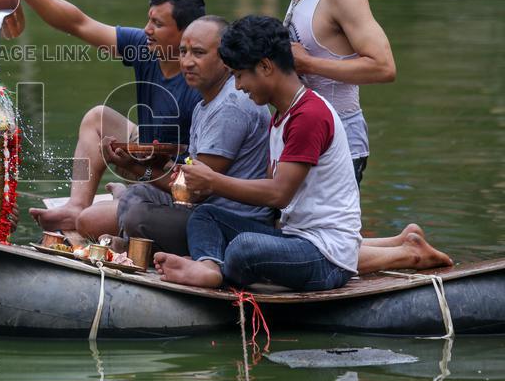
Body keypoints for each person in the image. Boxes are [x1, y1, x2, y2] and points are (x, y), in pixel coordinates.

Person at [156, 16, 450, 290]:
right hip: (296, 238)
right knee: (206, 216)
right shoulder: (281, 115)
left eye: (241, 75)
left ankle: (217, 268)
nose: (238, 86)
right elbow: (274, 191)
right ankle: (209, 267)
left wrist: (212, 182)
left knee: (245, 248)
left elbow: (278, 194)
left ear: (266, 67)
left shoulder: (309, 114)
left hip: (325, 257)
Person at [0, 0, 204, 237]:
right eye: (148, 20)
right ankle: (76, 204)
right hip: (148, 157)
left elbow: (195, 181)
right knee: (97, 118)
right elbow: (78, 24)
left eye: (158, 25)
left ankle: (122, 201)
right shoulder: (145, 47)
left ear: (187, 34)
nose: (147, 30)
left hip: (178, 183)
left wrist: (139, 170)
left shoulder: (201, 81)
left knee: (90, 222)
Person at [250, 0, 396, 183]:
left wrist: (309, 64)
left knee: (323, 227)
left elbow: (383, 67)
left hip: (339, 139)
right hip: (302, 135)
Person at [117, 15, 273, 253]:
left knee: (137, 216)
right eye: (183, 52)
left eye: (198, 53)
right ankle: (133, 244)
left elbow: (192, 192)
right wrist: (160, 162)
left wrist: (138, 168)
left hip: (232, 224)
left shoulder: (230, 105)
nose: (187, 62)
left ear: (225, 59)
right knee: (136, 195)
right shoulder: (205, 104)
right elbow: (190, 176)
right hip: (203, 211)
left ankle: (135, 247)